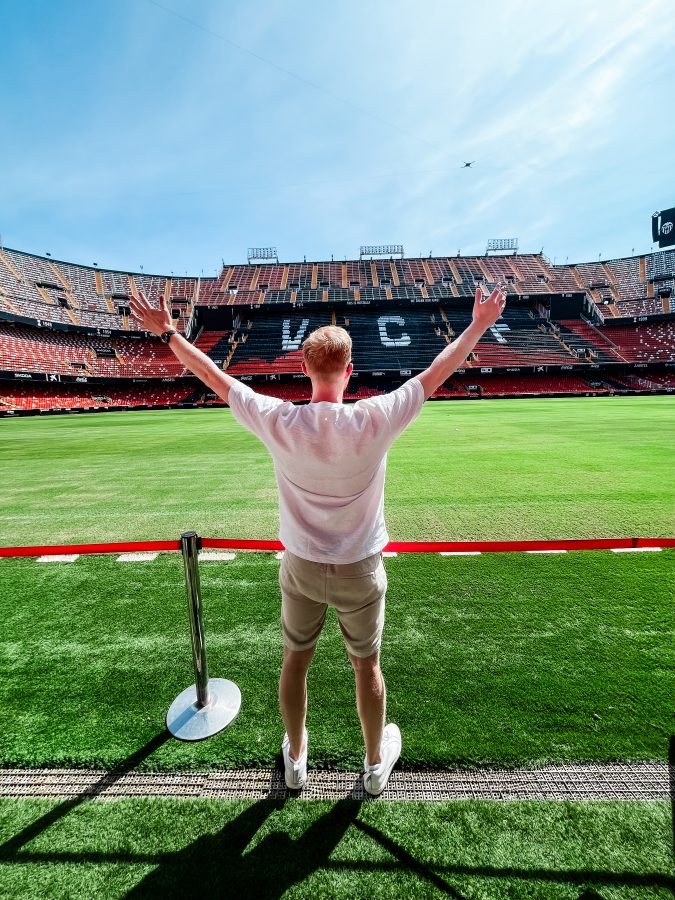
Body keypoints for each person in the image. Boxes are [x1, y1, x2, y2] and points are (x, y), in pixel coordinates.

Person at [130, 282, 506, 795]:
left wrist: (170, 332)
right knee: (366, 665)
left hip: (302, 568)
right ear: (350, 372)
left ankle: (297, 759)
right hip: (361, 569)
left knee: (295, 661)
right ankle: (374, 768)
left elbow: (215, 378)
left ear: (304, 370)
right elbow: (437, 371)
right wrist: (480, 323)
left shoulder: (280, 420)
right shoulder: (376, 417)